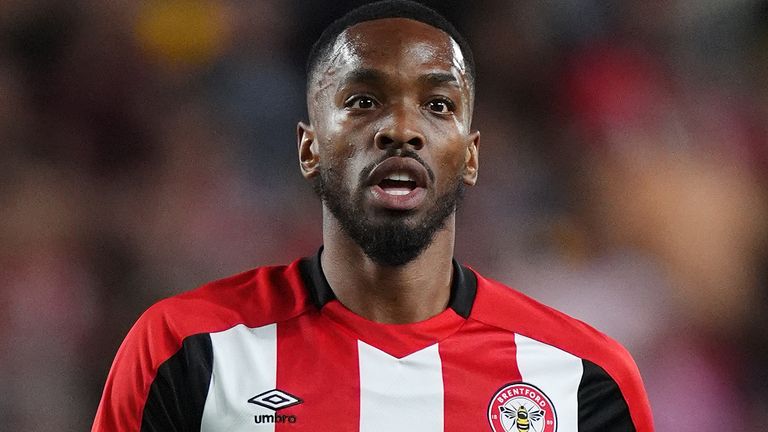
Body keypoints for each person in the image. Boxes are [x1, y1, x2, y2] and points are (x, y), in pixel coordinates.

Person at [93, 1, 653, 430]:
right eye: (363, 101)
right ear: (309, 149)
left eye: (438, 105)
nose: (402, 128)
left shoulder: (583, 377)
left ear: (472, 154)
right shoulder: (186, 349)